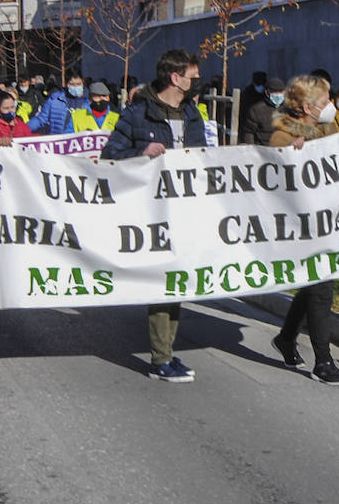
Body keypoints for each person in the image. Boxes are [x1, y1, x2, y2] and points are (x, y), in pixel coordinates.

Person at [101, 49, 208, 382]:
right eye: (193, 77)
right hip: (148, 212)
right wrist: (141, 152)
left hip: (183, 210)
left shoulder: (192, 115)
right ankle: (161, 359)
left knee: (175, 282)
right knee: (162, 282)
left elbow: (204, 157)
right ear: (175, 79)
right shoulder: (136, 115)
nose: (197, 82)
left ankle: (167, 353)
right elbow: (109, 158)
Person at [267, 75, 339, 385]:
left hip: (326, 219)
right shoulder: (281, 136)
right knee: (321, 287)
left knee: (313, 283)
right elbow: (272, 177)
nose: (329, 107)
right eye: (323, 102)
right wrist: (291, 152)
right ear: (306, 107)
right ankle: (323, 361)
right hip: (300, 225)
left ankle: (287, 338)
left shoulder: (328, 130)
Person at [30, 69, 87, 135]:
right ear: (66, 84)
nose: (75, 87)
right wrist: (24, 128)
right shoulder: (55, 100)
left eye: (78, 84)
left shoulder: (87, 103)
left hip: (80, 142)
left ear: (82, 82)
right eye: (72, 84)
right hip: (59, 141)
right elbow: (40, 119)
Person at [240, 76, 282, 146]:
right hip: (263, 150)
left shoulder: (288, 109)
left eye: (280, 92)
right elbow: (249, 131)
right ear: (267, 93)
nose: (278, 95)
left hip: (283, 150)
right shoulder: (256, 109)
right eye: (275, 92)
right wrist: (251, 149)